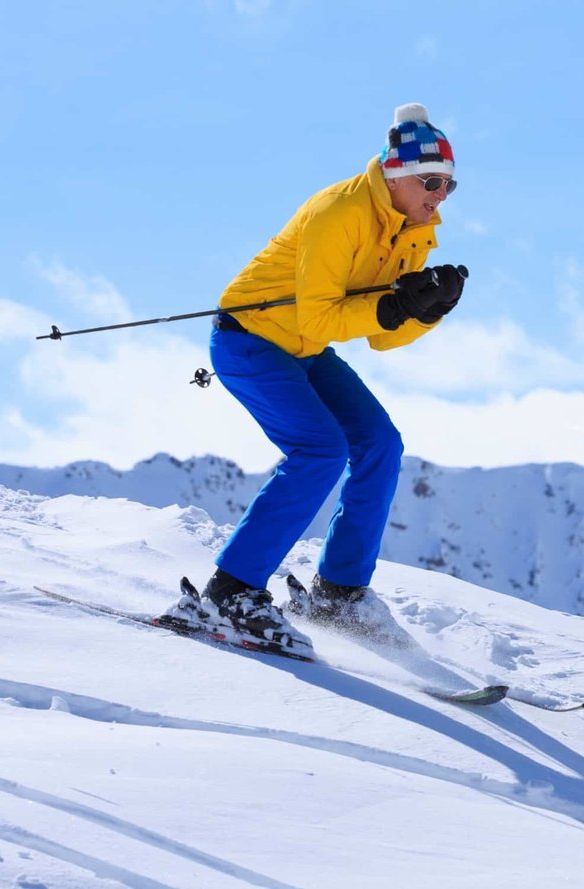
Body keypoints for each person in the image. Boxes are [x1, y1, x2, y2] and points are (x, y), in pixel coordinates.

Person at [169, 103, 466, 656]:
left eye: (450, 185)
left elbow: (381, 335)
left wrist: (426, 310)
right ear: (396, 175)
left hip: (302, 349)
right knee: (319, 449)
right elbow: (323, 317)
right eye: (431, 181)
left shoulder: (414, 229)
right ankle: (229, 594)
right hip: (250, 338)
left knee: (380, 444)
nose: (440, 195)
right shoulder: (340, 212)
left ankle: (339, 594)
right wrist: (397, 309)